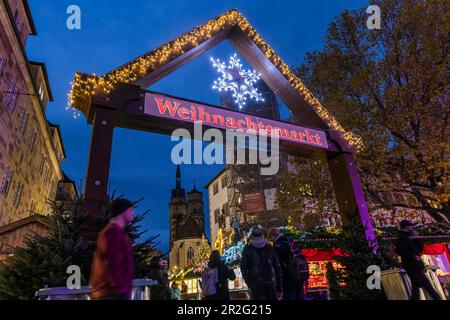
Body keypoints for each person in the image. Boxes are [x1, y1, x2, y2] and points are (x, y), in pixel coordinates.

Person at [90, 198, 135, 300]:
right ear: (122, 211)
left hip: (115, 292)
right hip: (112, 293)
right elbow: (112, 262)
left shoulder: (117, 232)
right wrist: (121, 287)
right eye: (131, 210)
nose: (133, 214)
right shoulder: (111, 232)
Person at [395, 220, 441, 300]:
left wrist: (417, 237)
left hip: (415, 265)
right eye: (411, 226)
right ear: (406, 227)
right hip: (412, 266)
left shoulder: (410, 236)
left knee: (416, 292)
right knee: (429, 289)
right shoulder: (401, 237)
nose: (412, 227)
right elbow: (400, 250)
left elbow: (419, 249)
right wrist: (413, 255)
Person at [240, 226, 283, 300]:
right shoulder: (269, 247)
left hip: (256, 282)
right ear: (262, 236)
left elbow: (243, 267)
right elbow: (277, 267)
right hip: (270, 281)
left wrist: (249, 283)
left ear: (252, 237)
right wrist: (279, 285)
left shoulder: (248, 249)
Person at [269, 227, 308, 300]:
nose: (271, 241)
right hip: (299, 272)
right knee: (299, 294)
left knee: (289, 295)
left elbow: (278, 263)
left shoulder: (278, 245)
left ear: (273, 236)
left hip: (288, 274)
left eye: (271, 239)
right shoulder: (290, 240)